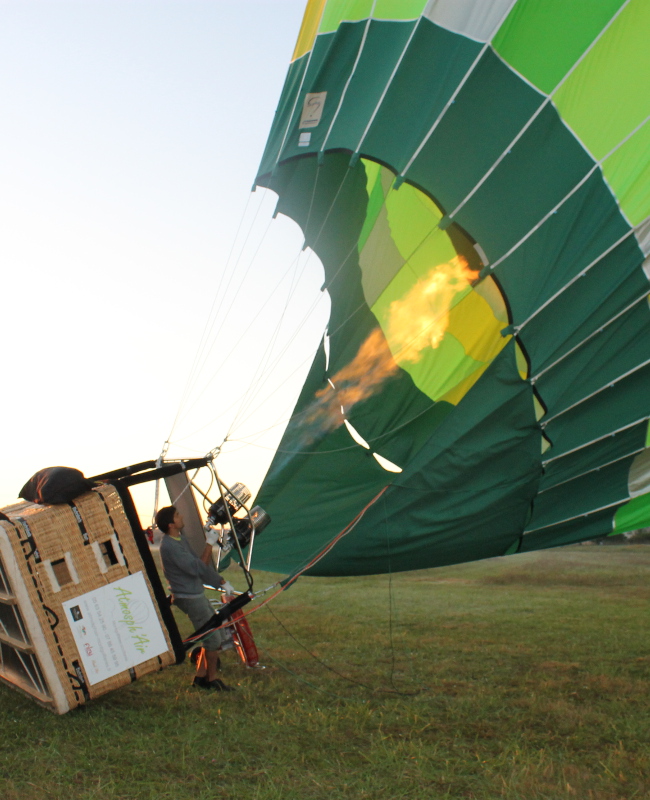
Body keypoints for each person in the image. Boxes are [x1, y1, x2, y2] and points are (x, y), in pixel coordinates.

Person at [156, 505, 234, 692]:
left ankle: (200, 678)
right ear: (171, 524)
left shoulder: (180, 539)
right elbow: (195, 568)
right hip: (189, 597)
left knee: (214, 632)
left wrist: (220, 581)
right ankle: (212, 680)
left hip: (194, 594)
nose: (181, 516)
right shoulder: (170, 546)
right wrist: (209, 543)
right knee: (213, 640)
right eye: (177, 515)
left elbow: (200, 567)